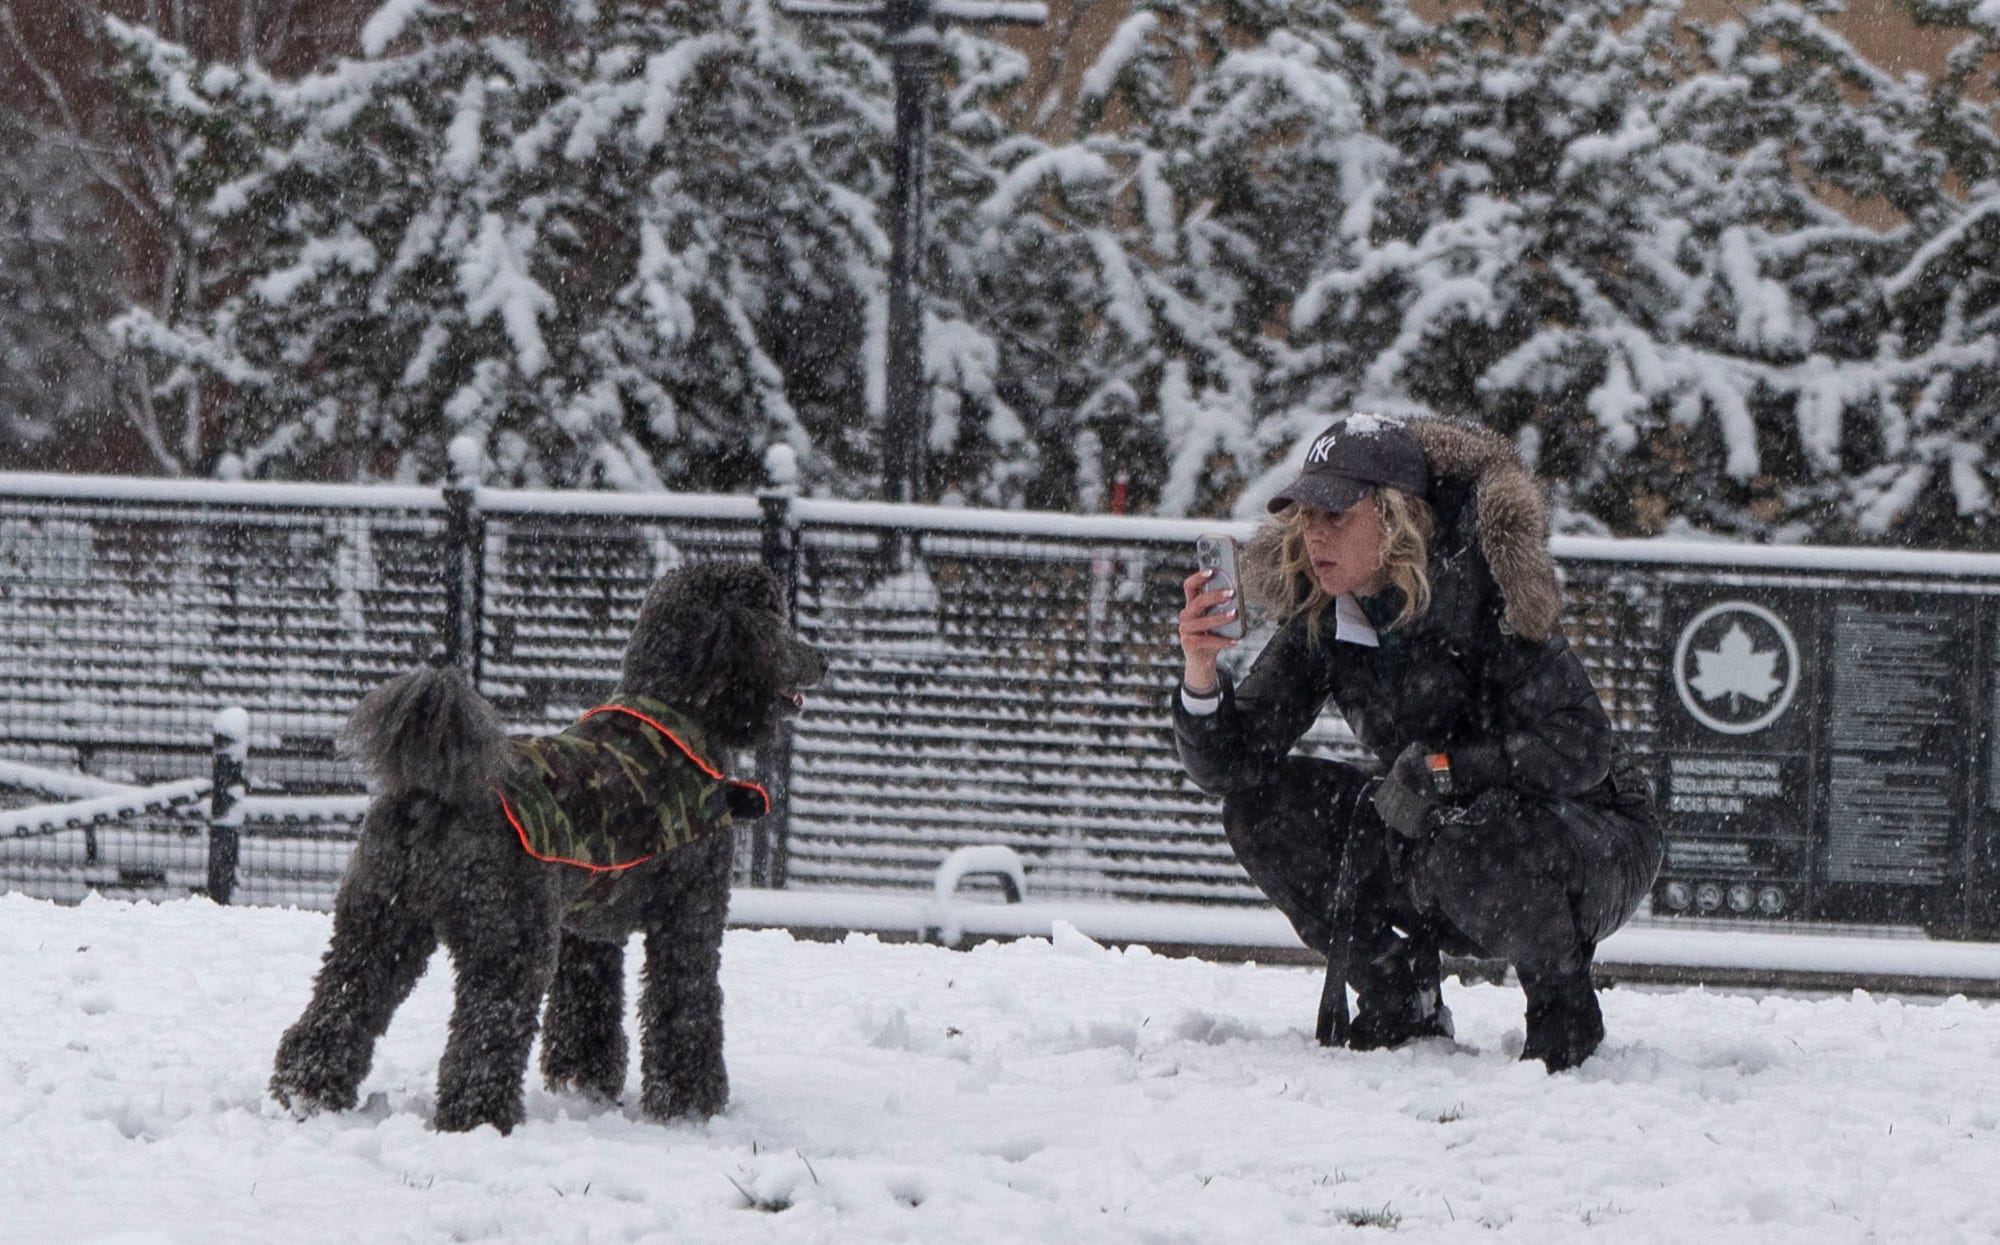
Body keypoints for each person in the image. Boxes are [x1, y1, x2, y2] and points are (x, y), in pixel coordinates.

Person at [1173, 413, 1661, 1071]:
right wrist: (1201, 670)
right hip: (1441, 829)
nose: (1315, 533)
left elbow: (1580, 748)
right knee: (1261, 808)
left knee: (1480, 827)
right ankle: (1399, 996)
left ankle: (1563, 1011)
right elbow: (1232, 764)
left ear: (1395, 516)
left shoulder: (1487, 587)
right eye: (1306, 516)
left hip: (1593, 834)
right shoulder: (1326, 611)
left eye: (1337, 515)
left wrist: (1446, 767)